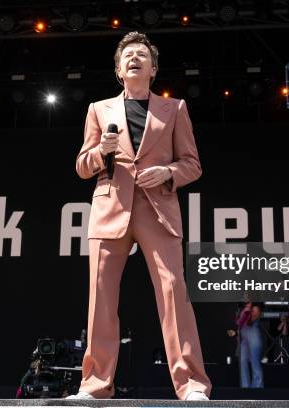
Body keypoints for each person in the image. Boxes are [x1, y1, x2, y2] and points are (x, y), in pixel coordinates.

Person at [68, 31, 211, 401]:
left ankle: (192, 385)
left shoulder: (174, 108)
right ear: (119, 70)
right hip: (109, 207)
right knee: (100, 301)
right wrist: (101, 151)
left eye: (142, 55)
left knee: (174, 296)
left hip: (158, 210)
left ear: (153, 68)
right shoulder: (99, 110)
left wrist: (168, 173)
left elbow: (192, 165)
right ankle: (96, 385)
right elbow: (83, 166)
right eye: (128, 54)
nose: (135, 58)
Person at [236, 302, 264, 388]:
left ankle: (257, 387)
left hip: (253, 333)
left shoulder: (256, 306)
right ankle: (245, 387)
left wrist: (246, 313)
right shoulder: (242, 307)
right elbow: (238, 322)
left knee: (255, 362)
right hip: (244, 336)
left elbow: (254, 318)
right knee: (243, 361)